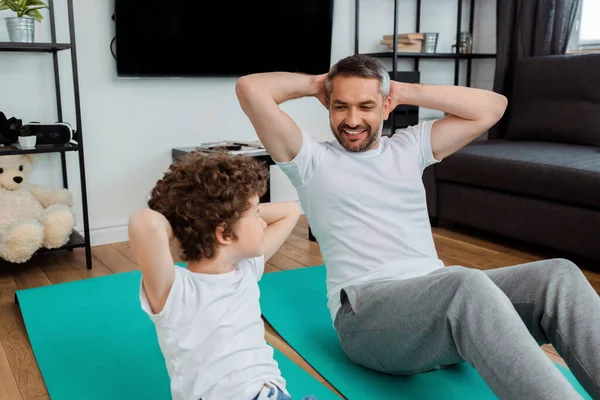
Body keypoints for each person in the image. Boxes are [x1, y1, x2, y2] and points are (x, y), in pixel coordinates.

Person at [235, 54, 600, 399]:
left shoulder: (409, 147)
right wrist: (321, 82)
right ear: (328, 105)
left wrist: (403, 89)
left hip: (439, 311)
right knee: (464, 284)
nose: (351, 120)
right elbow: (251, 89)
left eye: (366, 106)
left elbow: (493, 107)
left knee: (559, 276)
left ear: (386, 105)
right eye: (341, 105)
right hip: (367, 316)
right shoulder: (310, 160)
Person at [128, 151, 316, 400]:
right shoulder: (177, 292)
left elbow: (290, 211)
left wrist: (217, 218)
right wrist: (190, 223)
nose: (262, 222)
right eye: (256, 214)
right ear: (225, 234)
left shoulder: (246, 268)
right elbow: (144, 222)